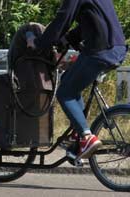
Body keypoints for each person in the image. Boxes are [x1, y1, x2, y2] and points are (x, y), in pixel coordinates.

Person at [26, 0, 128, 159]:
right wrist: (67, 39)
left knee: (65, 93)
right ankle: (78, 133)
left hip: (99, 51)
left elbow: (63, 19)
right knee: (71, 82)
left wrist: (38, 43)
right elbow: (93, 21)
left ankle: (86, 137)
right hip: (117, 48)